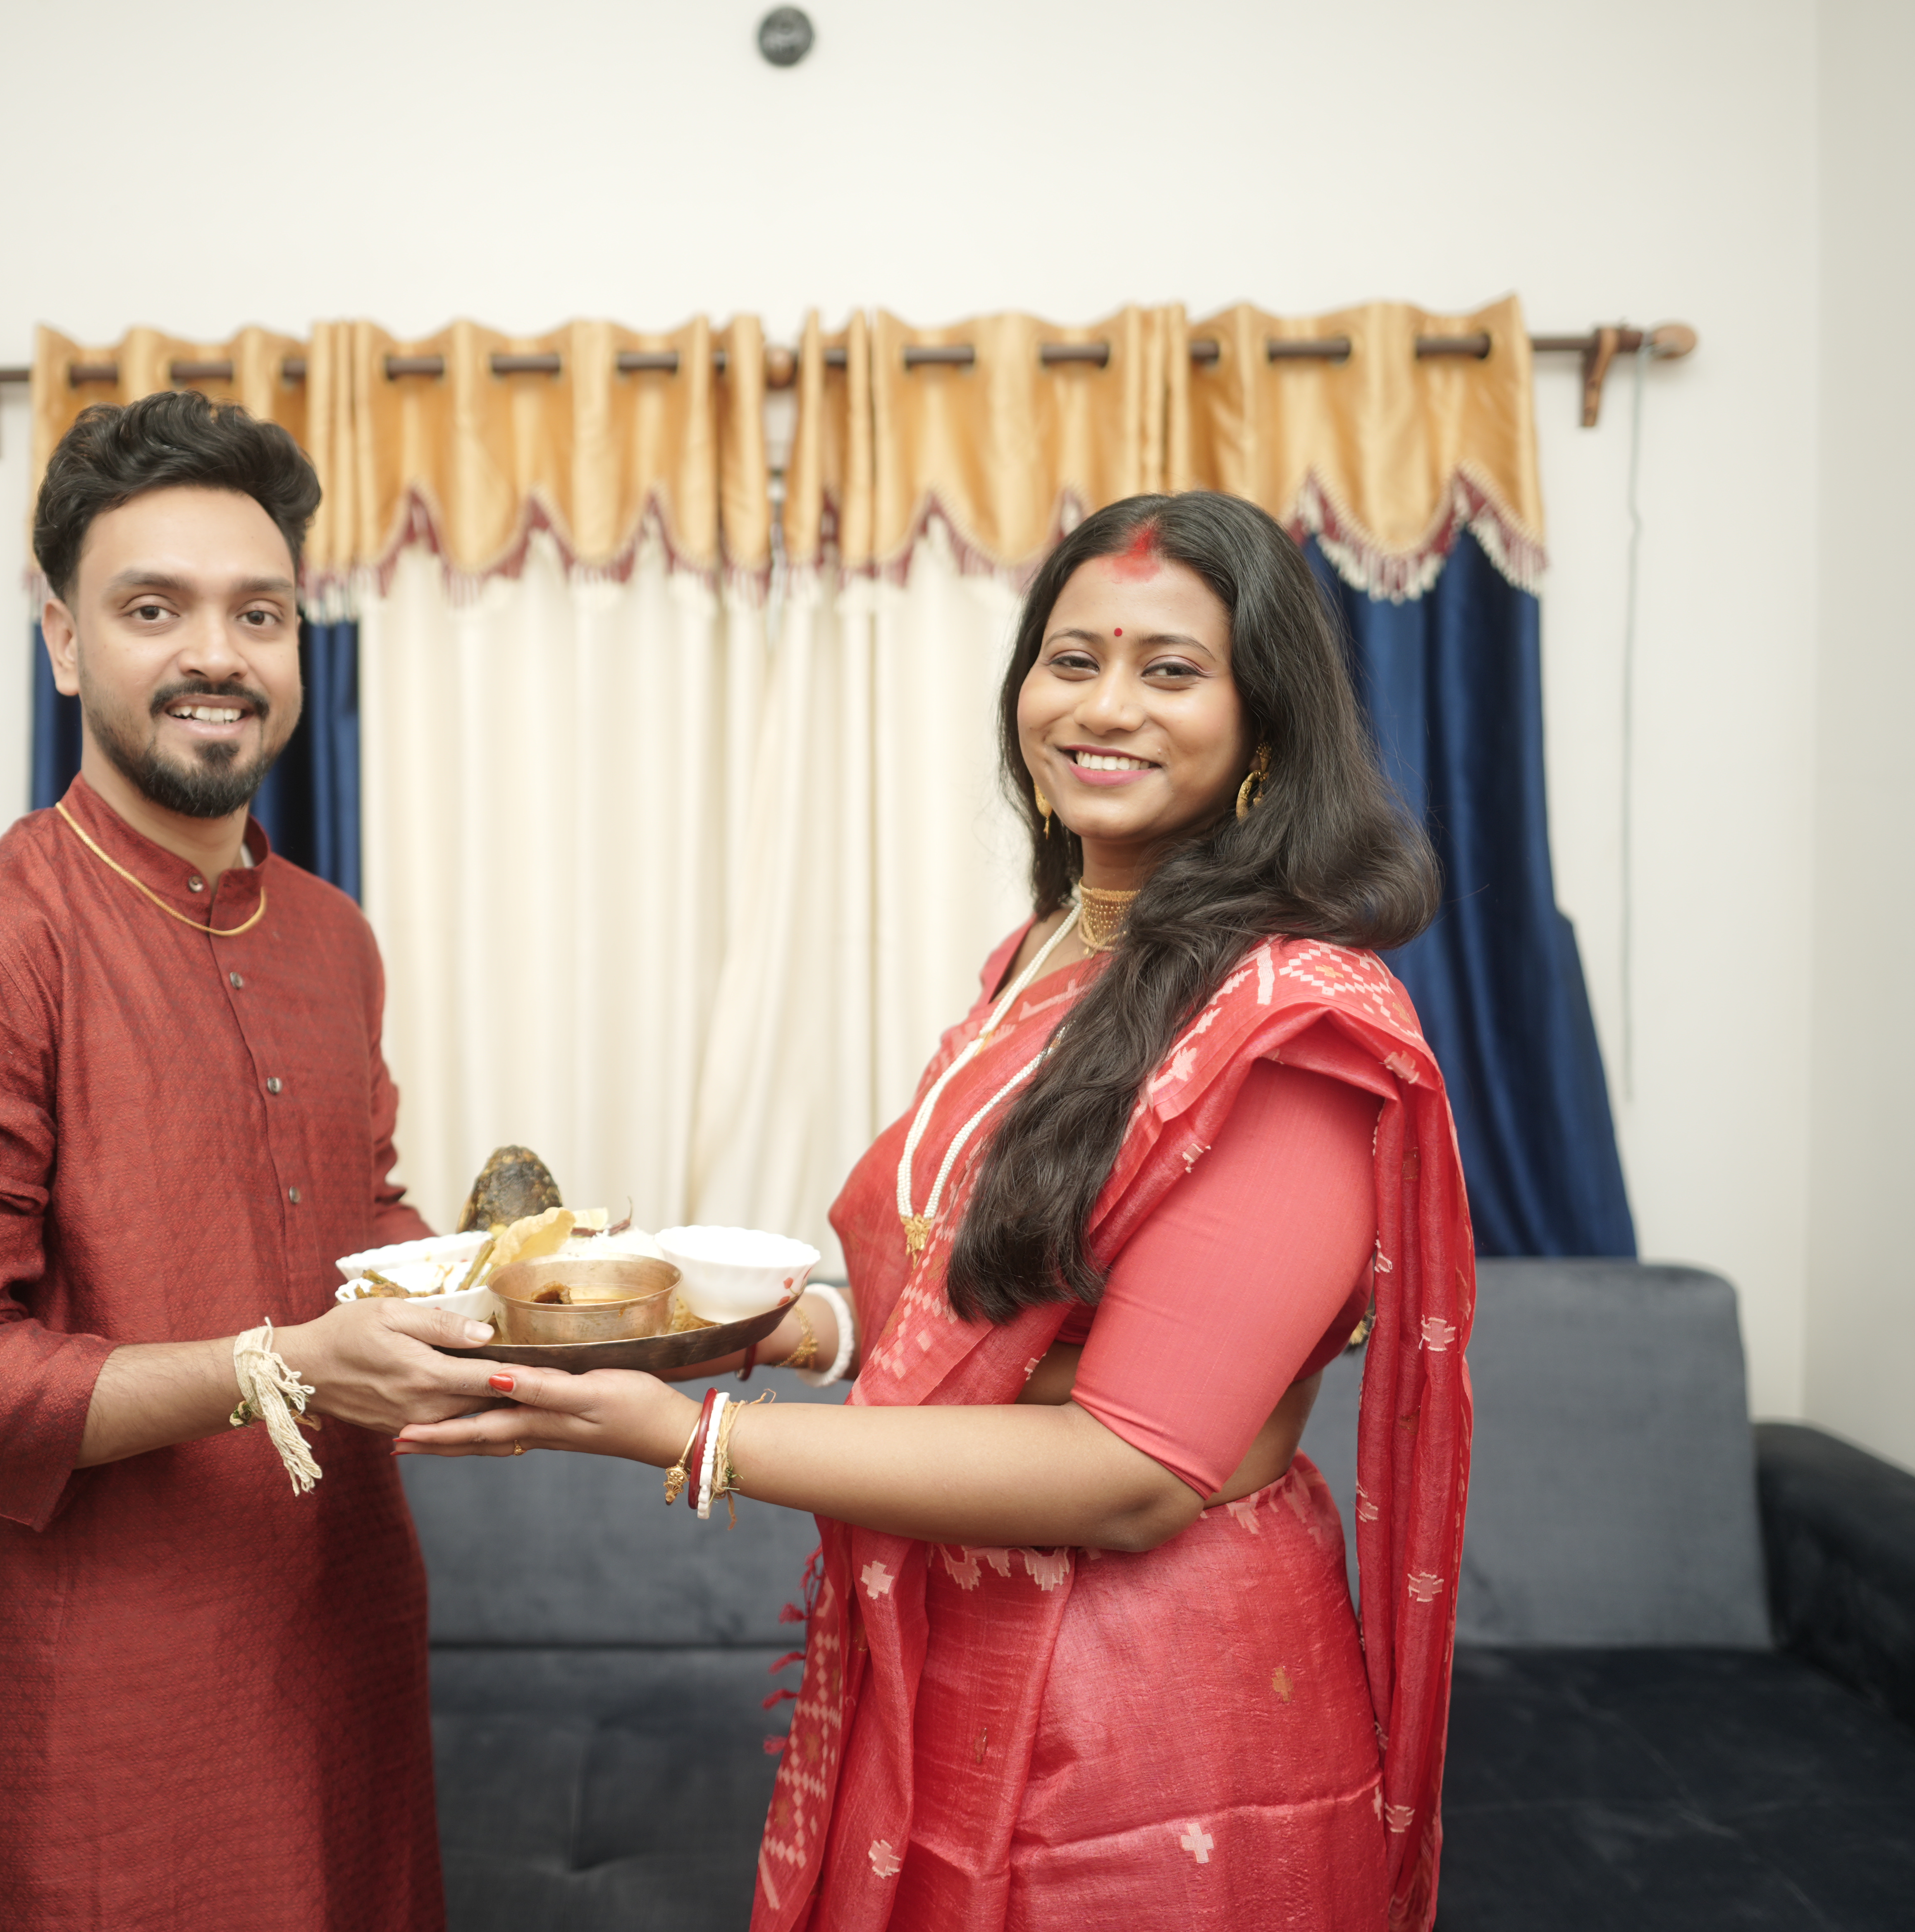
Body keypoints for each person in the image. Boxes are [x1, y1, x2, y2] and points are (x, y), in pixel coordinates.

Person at [398, 492, 1478, 1931]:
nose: (1105, 705)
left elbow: (1137, 1465)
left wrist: (699, 1436)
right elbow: (998, 1293)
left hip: (1148, 1717)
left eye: (1171, 670)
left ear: (1266, 731)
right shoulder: (1042, 955)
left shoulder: (1288, 1028)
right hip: (963, 1633)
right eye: (1071, 657)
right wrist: (803, 1335)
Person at [0, 391, 502, 1932]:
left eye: (260, 613)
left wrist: (496, 1296)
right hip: (111, 1686)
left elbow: (352, 1204)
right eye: (152, 608)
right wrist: (281, 1369)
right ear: (63, 642)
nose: (216, 655)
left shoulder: (327, 934)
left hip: (349, 1630)